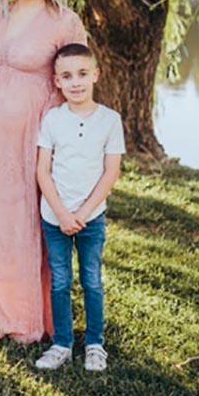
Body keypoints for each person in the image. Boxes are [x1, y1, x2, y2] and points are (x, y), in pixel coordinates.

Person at [0, 0, 88, 343]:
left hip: (33, 138)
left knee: (26, 221)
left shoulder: (63, 19)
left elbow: (78, 80)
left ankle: (26, 318)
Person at [34, 43, 125, 371]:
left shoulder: (110, 120)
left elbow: (111, 172)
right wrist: (60, 213)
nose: (76, 82)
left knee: (91, 279)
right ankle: (61, 343)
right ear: (57, 81)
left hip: (92, 218)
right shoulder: (53, 119)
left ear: (95, 76)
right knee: (60, 280)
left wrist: (83, 214)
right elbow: (42, 170)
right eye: (67, 76)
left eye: (83, 74)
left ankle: (95, 344)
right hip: (54, 217)